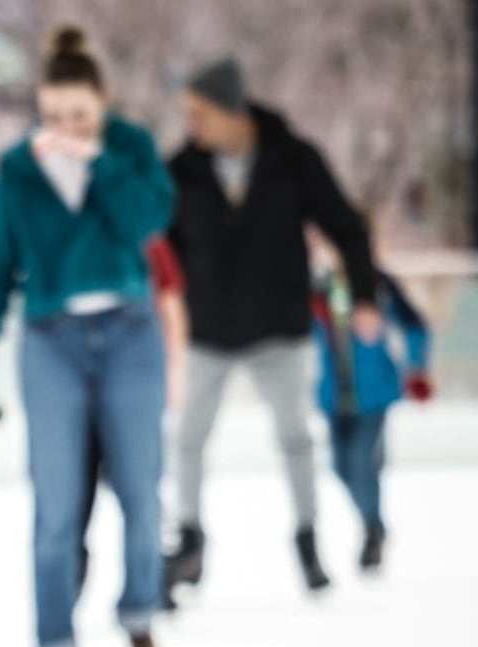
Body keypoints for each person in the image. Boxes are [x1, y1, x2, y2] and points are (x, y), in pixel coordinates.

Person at [0, 26, 174, 647]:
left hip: (130, 335)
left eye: (80, 116)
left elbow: (147, 221)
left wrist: (95, 159)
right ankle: (55, 640)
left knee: (142, 494)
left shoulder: (130, 149)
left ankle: (141, 614)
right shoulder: (19, 171)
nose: (66, 128)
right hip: (50, 341)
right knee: (56, 503)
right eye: (55, 116)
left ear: (102, 105)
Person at [166, 56, 381, 596]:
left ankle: (308, 541)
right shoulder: (182, 171)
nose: (191, 125)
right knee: (188, 438)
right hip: (207, 330)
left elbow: (347, 227)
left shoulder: (292, 159)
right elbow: (159, 249)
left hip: (278, 329)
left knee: (295, 438)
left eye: (199, 113)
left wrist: (364, 297)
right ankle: (189, 541)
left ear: (230, 110)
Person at [310, 237, 432, 571]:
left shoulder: (380, 285)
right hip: (334, 396)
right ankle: (373, 524)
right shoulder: (319, 286)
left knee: (361, 459)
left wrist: (417, 369)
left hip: (373, 395)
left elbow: (415, 327)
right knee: (341, 467)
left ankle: (372, 533)